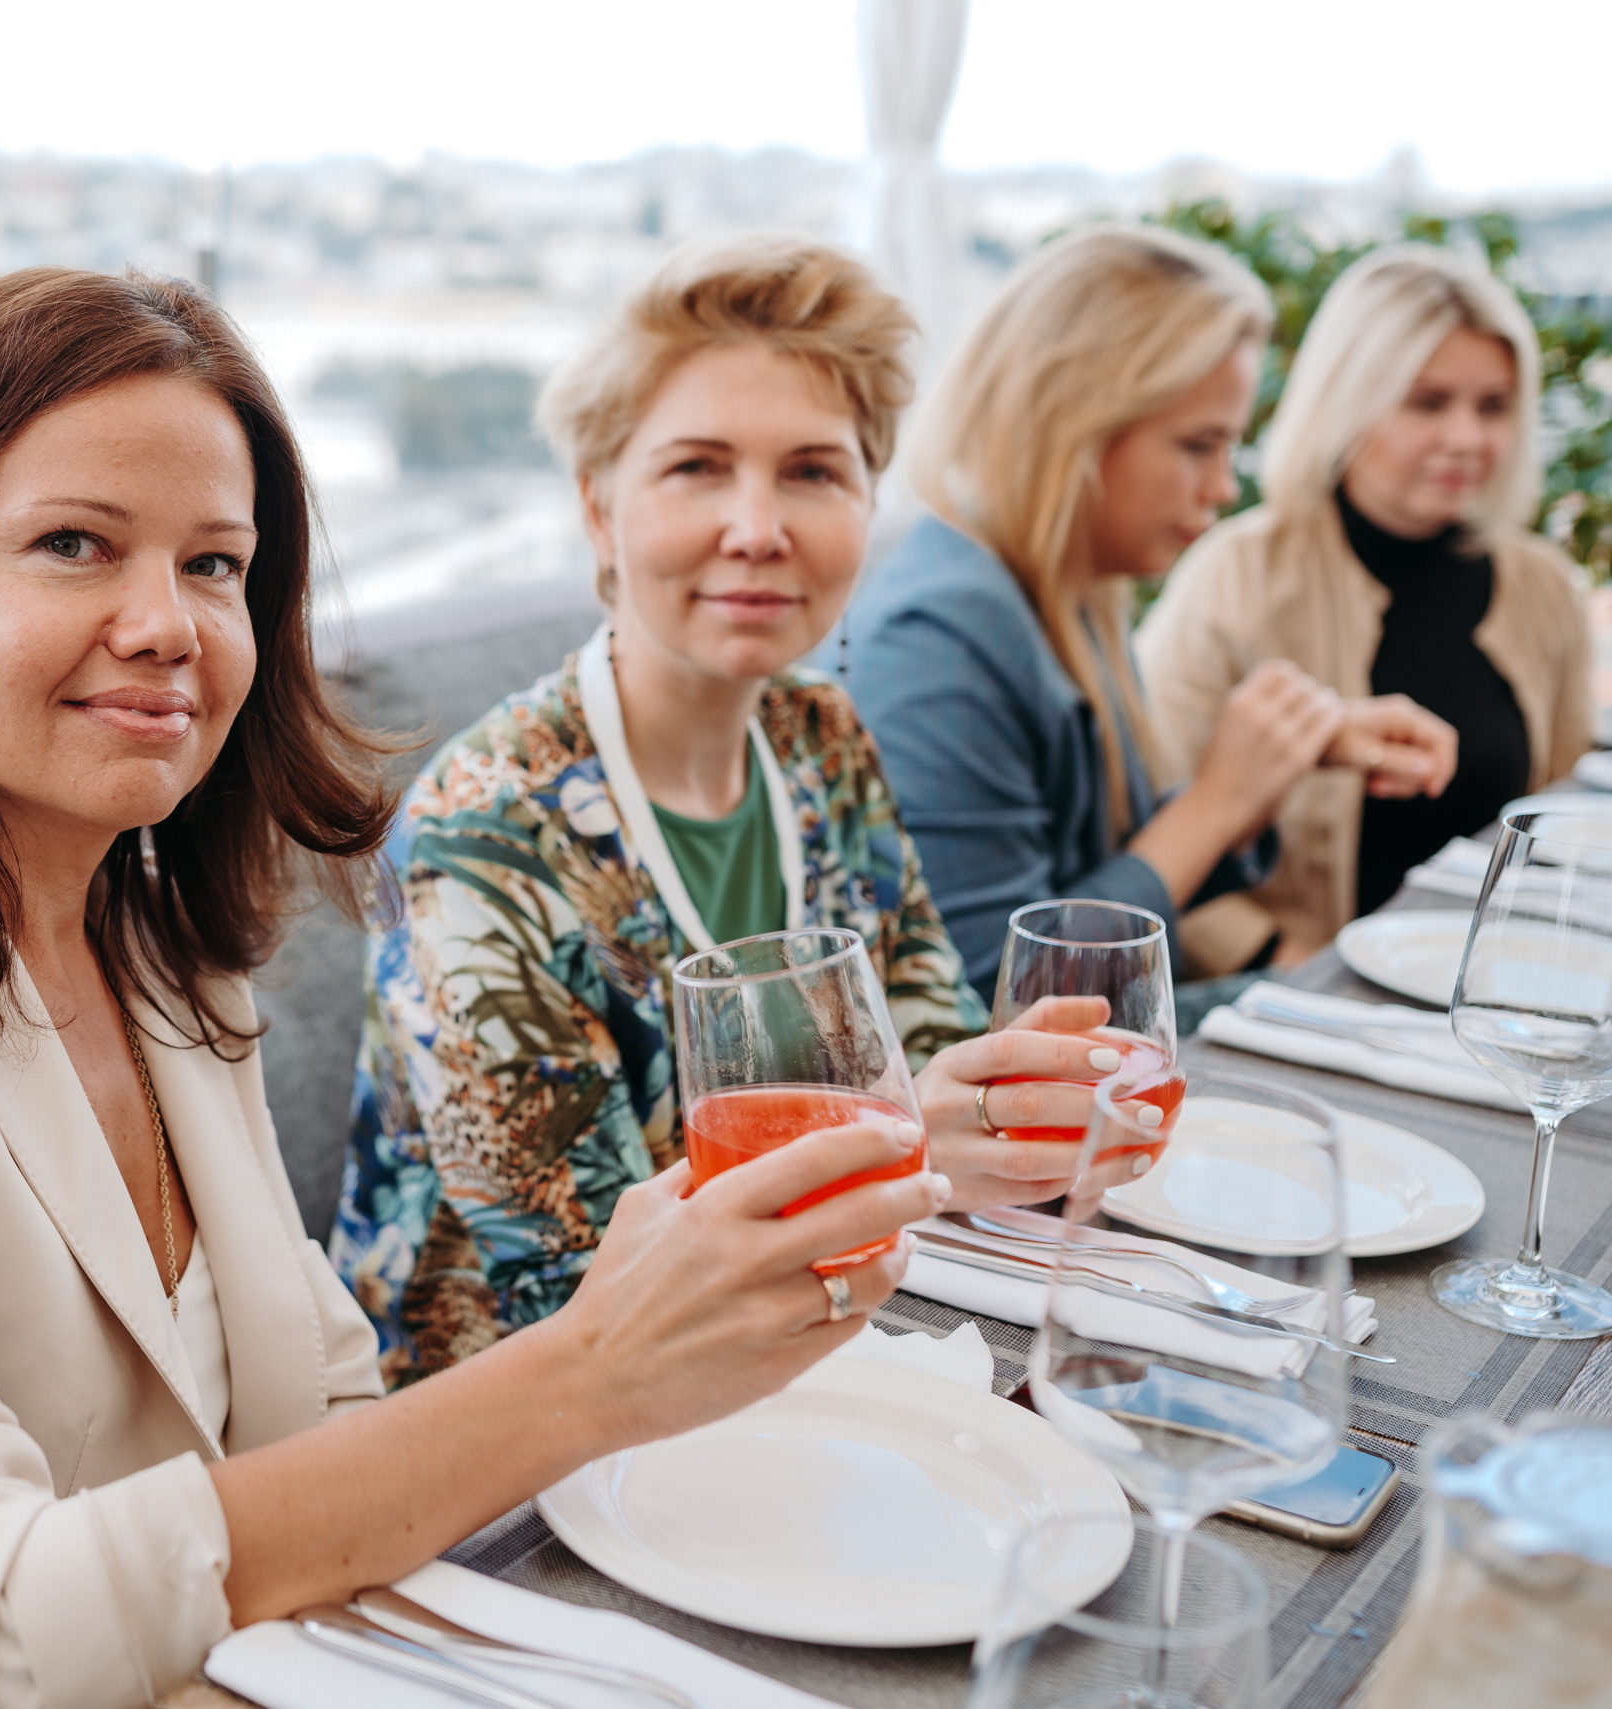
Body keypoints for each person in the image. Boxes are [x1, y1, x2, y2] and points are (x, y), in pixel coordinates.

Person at [0, 268, 959, 1708]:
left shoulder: (149, 942)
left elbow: (326, 1416)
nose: (166, 622)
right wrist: (589, 1369)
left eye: (215, 565)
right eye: (74, 545)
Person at [333, 236, 1145, 1389]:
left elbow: (920, 1037)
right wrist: (916, 1142)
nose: (758, 527)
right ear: (599, 509)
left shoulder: (823, 740)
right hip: (510, 1431)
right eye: (698, 468)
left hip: (819, 1327)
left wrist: (1004, 1106)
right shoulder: (480, 840)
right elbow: (579, 1286)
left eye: (814, 471)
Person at [829, 226, 1459, 985]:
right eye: (1199, 445)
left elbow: (1101, 870)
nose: (1225, 487)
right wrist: (1217, 805)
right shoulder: (939, 635)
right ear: (1076, 427)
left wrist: (1288, 753)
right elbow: (989, 992)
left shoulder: (1070, 587)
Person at [1138, 244, 1594, 954]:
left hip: (1488, 991)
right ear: (1348, 403)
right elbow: (1157, 836)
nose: (1467, 438)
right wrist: (1284, 968)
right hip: (1291, 1000)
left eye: (1494, 406)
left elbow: (1562, 814)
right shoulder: (1236, 572)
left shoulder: (1546, 588)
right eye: (1428, 402)